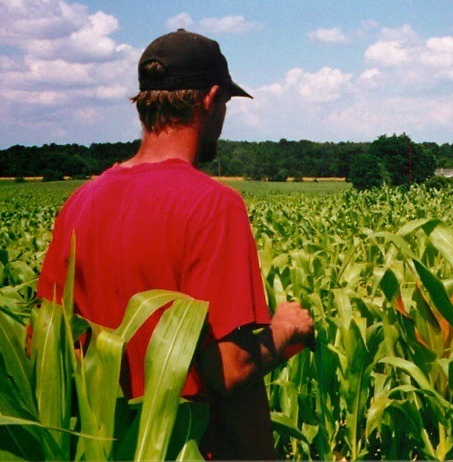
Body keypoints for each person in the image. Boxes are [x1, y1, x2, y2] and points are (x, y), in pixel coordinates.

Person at [37, 29, 314, 459]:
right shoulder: (214, 205)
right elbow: (228, 368)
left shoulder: (78, 204)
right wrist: (286, 328)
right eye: (224, 105)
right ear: (210, 99)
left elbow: (46, 347)